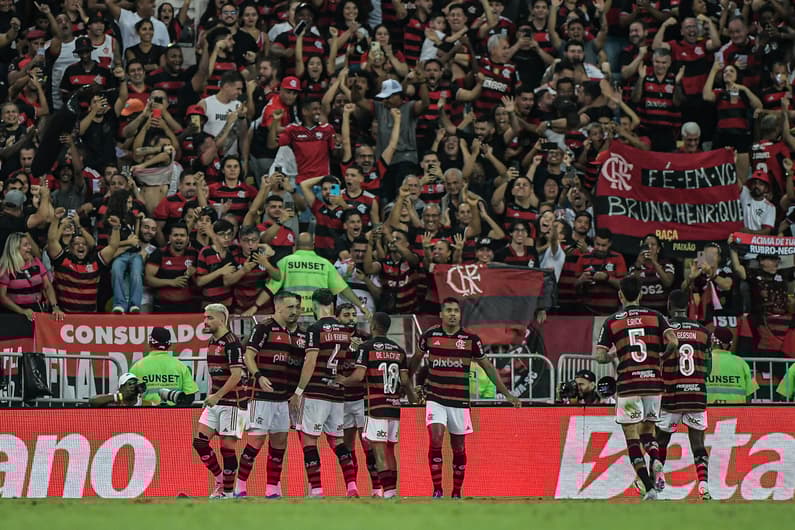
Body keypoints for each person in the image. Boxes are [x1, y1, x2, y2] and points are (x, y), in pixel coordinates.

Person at [409, 297, 520, 498]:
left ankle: (457, 492)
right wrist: (407, 386)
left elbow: (488, 368)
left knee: (458, 447)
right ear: (441, 314)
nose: (452, 314)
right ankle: (437, 490)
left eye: (456, 311)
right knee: (436, 438)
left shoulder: (471, 340)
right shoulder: (429, 336)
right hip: (435, 398)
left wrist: (507, 394)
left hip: (459, 401)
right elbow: (415, 362)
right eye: (449, 310)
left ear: (460, 315)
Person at [595, 276, 679, 501]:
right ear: (641, 294)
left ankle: (650, 487)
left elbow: (599, 356)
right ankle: (657, 460)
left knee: (632, 437)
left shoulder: (612, 321)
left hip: (628, 383)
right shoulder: (656, 316)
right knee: (648, 433)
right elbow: (673, 342)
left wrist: (614, 354)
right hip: (653, 382)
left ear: (620, 295)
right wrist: (662, 357)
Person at [336, 312, 418, 499]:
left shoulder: (366, 347)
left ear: (373, 325)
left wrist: (342, 380)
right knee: (390, 449)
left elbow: (357, 376)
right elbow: (405, 380)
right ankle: (393, 492)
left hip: (375, 406)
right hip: (394, 406)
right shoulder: (399, 349)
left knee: (378, 449)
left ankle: (387, 492)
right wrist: (413, 398)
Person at [289, 288, 359, 497]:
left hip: (316, 392)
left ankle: (317, 489)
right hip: (337, 394)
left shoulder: (315, 328)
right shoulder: (346, 331)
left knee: (309, 440)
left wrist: (299, 390)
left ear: (315, 304)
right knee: (338, 441)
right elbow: (347, 363)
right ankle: (352, 485)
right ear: (333, 304)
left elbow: (310, 361)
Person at [239, 291, 306, 498]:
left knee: (279, 444)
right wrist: (258, 376)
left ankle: (272, 488)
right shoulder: (263, 328)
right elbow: (248, 355)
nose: (295, 311)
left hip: (283, 398)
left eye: (297, 307)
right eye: (290, 307)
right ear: (278, 307)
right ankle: (239, 486)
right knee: (256, 442)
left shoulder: (300, 334)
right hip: (262, 395)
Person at [654, 290, 712, 500]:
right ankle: (704, 486)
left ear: (669, 305)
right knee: (698, 445)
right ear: (689, 305)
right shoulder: (704, 331)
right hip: (696, 395)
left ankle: (657, 478)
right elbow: (709, 367)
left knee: (661, 441)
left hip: (671, 394)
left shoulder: (664, 330)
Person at [192, 304, 247, 499]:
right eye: (205, 317)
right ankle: (221, 478)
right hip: (216, 401)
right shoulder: (212, 342)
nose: (205, 321)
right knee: (199, 442)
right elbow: (215, 374)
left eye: (210, 318)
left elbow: (237, 375)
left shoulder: (232, 342)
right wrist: (211, 395)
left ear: (222, 320)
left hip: (234, 403)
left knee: (227, 448)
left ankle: (229, 493)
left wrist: (217, 396)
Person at [250, 232, 370, 317]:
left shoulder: (285, 262)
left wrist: (255, 307)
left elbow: (271, 288)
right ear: (313, 245)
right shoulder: (325, 264)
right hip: (318, 315)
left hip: (294, 314)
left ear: (295, 246)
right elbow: (343, 288)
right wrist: (362, 307)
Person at [335, 302, 382, 496]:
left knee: (368, 445)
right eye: (346, 315)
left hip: (362, 399)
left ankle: (377, 488)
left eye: (353, 314)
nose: (351, 318)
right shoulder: (334, 338)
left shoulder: (365, 338)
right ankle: (351, 487)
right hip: (342, 400)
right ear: (337, 317)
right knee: (347, 445)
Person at [0, 232, 63, 321]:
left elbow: (48, 286)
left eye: (29, 244)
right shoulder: (6, 268)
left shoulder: (36, 262)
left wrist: (55, 307)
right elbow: (2, 297)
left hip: (38, 310)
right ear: (15, 248)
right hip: (15, 314)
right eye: (26, 245)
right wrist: (22, 311)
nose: (30, 247)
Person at [129, 327, 199, 406]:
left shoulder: (137, 366)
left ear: (150, 343)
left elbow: (129, 396)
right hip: (175, 415)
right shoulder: (180, 366)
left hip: (147, 415)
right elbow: (190, 395)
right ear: (169, 344)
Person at [706, 327, 758, 404]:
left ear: (712, 341)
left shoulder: (705, 361)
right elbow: (749, 395)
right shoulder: (742, 363)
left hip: (709, 412)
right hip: (736, 413)